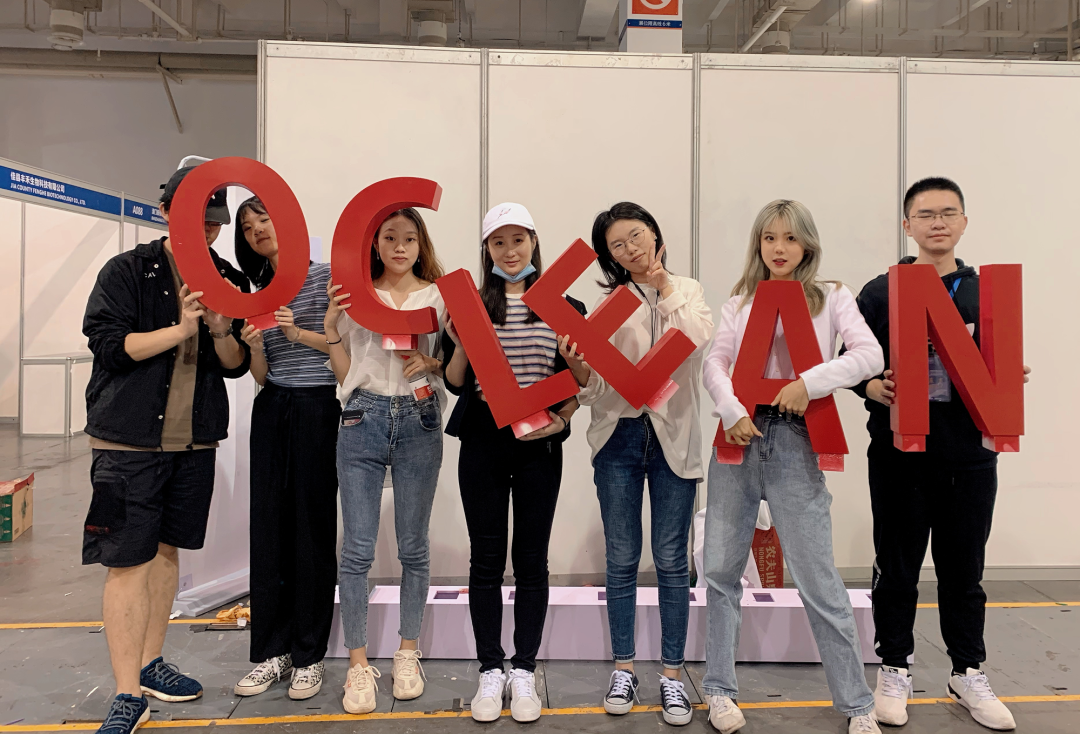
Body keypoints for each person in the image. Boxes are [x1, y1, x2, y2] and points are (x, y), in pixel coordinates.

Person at [850, 178, 1029, 732]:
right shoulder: (880, 292)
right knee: (897, 567)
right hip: (899, 455)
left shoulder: (983, 292)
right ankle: (894, 668)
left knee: (964, 571)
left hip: (970, 454)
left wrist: (1007, 376)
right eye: (926, 214)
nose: (938, 223)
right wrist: (870, 386)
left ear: (964, 222)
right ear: (907, 225)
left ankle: (967, 671)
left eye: (948, 213)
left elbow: (999, 360)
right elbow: (849, 361)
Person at [701, 200, 884, 734]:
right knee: (721, 572)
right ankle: (719, 691)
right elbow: (716, 363)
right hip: (738, 436)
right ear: (758, 244)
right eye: (769, 238)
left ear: (807, 244)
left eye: (790, 238)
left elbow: (869, 355)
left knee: (818, 579)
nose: (779, 248)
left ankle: (857, 704)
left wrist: (811, 382)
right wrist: (731, 409)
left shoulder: (833, 296)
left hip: (798, 439)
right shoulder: (740, 301)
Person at [81, 166, 250, 734]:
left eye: (213, 223)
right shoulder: (128, 270)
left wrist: (220, 329)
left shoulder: (228, 277)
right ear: (165, 213)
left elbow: (234, 366)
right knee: (126, 560)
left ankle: (151, 663)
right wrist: (180, 330)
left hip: (194, 442)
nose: (205, 232)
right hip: (126, 442)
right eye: (194, 219)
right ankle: (127, 693)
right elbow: (109, 346)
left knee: (168, 552)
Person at [559, 202, 713, 726]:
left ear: (655, 235)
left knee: (671, 559)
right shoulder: (610, 306)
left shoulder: (687, 290)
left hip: (675, 440)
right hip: (619, 439)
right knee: (622, 558)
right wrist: (579, 368)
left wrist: (664, 285)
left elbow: (698, 342)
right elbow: (596, 389)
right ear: (609, 256)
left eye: (637, 236)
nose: (630, 249)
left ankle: (672, 674)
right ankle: (624, 668)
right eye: (617, 245)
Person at [442, 203, 584, 724]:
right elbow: (455, 381)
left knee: (530, 559)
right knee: (485, 558)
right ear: (486, 250)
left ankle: (523, 669)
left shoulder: (565, 305)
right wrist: (460, 345)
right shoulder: (473, 305)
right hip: (484, 437)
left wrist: (562, 420)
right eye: (498, 242)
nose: (509, 251)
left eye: (518, 240)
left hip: (538, 441)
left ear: (534, 242)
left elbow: (579, 385)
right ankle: (490, 669)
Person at [326, 208, 447, 716]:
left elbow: (458, 363)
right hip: (362, 416)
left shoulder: (439, 297)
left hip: (421, 416)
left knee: (413, 545)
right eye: (390, 237)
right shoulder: (356, 296)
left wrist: (433, 362)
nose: (399, 247)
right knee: (356, 548)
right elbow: (346, 373)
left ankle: (407, 651)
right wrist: (331, 328)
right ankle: (357, 663)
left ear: (422, 245)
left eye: (409, 238)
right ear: (374, 244)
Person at [230, 197, 340, 701]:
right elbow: (261, 374)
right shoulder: (256, 291)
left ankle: (309, 655)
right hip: (273, 406)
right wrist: (256, 347)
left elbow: (345, 350)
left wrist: (300, 333)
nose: (256, 229)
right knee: (270, 528)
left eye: (263, 219)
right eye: (246, 226)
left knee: (312, 529)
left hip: (320, 405)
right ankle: (272, 651)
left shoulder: (327, 277)